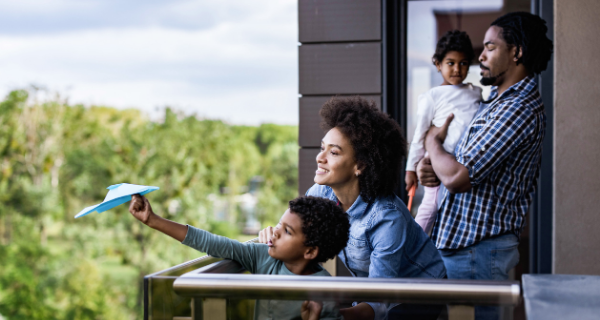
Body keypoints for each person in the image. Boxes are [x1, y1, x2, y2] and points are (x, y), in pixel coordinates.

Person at [417, 12, 553, 319]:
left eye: (490, 47)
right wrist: (432, 171)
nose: (480, 56)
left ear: (516, 51)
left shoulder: (519, 108)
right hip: (460, 248)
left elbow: (458, 177)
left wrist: (431, 143)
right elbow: (451, 169)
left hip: (479, 254)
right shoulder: (493, 103)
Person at [260, 97, 446, 320]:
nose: (320, 158)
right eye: (322, 148)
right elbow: (288, 232)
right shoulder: (320, 195)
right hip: (370, 288)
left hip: (418, 292)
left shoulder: (387, 219)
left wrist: (330, 316)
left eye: (334, 152)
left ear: (361, 165)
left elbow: (378, 302)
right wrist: (273, 234)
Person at [129, 194, 350, 320]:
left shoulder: (324, 293)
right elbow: (214, 243)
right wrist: (153, 220)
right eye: (279, 225)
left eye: (287, 232)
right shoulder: (264, 257)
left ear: (310, 251)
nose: (275, 232)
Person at [405, 30, 482, 235]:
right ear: (438, 64)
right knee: (430, 207)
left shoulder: (475, 92)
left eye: (463, 63)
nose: (457, 69)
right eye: (450, 63)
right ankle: (412, 244)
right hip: (438, 162)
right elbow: (420, 135)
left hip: (464, 164)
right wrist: (411, 169)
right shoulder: (432, 96)